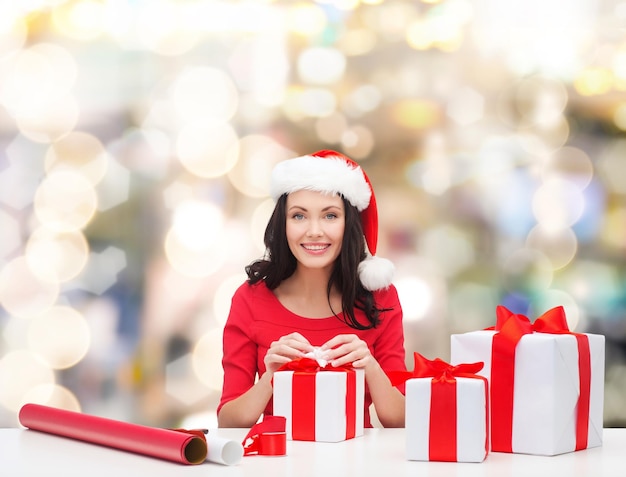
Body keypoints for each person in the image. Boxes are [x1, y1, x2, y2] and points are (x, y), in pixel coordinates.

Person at [217, 149, 406, 429]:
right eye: (299, 216)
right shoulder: (250, 299)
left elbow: (400, 420)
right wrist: (272, 376)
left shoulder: (380, 297)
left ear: (348, 224)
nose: (314, 231)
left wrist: (370, 366)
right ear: (283, 224)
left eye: (330, 216)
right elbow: (228, 421)